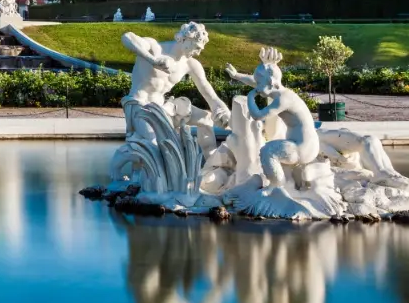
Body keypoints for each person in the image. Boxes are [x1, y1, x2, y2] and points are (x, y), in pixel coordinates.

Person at [121, 22, 230, 152]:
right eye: (197, 47)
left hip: (165, 108)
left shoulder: (190, 64)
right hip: (141, 107)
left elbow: (208, 93)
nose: (198, 53)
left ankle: (211, 167)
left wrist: (223, 110)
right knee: (156, 145)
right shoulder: (155, 48)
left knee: (206, 119)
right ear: (184, 39)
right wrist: (153, 60)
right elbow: (127, 37)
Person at [226, 48, 319, 188]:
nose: (256, 87)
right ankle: (289, 182)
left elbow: (257, 116)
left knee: (268, 151)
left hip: (303, 148)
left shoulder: (283, 99)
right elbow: (256, 83)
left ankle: (276, 187)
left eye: (259, 83)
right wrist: (236, 76)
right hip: (302, 144)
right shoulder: (278, 91)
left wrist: (251, 97)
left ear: (270, 81)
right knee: (274, 148)